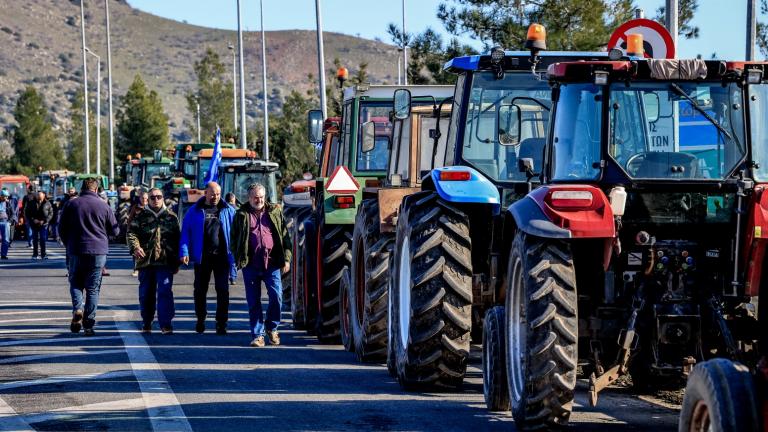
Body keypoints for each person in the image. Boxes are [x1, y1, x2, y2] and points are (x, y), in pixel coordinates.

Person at [231, 183, 291, 347]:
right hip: (251, 265)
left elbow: (285, 237)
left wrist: (286, 259)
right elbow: (234, 239)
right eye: (255, 197)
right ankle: (258, 335)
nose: (259, 200)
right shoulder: (241, 215)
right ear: (249, 198)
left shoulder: (275, 212)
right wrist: (238, 258)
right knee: (253, 301)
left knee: (276, 297)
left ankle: (272, 328)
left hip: (272, 264)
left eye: (261, 197)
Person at [59, 178, 119, 336]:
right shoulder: (104, 205)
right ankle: (89, 324)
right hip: (98, 252)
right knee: (93, 289)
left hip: (76, 250)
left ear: (82, 188)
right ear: (96, 189)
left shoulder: (71, 204)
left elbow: (61, 228)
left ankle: (78, 309)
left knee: (76, 284)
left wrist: (68, 244)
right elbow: (115, 231)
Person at [180, 181, 236, 335]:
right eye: (212, 194)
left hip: (222, 257)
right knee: (200, 290)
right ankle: (201, 318)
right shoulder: (194, 211)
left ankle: (221, 322)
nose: (215, 197)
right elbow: (186, 232)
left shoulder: (228, 210)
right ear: (206, 193)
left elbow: (237, 233)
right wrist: (184, 251)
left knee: (222, 290)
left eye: (218, 194)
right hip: (202, 257)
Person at [127, 188, 181, 335]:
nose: (156, 199)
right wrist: (136, 247)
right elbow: (131, 233)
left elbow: (178, 239)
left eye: (158, 197)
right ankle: (147, 321)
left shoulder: (171, 217)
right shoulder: (141, 216)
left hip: (165, 262)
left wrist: (177, 262)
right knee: (146, 294)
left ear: (163, 198)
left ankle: (166, 324)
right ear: (147, 199)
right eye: (152, 197)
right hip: (146, 262)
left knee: (164, 292)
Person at [25, 191, 53, 260]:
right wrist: (33, 219)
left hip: (43, 224)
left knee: (43, 239)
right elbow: (27, 213)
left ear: (44, 195)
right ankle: (35, 254)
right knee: (35, 239)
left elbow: (51, 213)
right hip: (34, 224)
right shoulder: (31, 202)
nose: (38, 197)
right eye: (37, 195)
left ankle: (43, 254)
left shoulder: (47, 203)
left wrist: (44, 221)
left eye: (40, 195)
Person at [127, 191, 148, 277]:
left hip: (147, 234)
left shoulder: (150, 207)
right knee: (136, 251)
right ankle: (136, 270)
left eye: (146, 198)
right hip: (137, 233)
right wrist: (129, 230)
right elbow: (130, 220)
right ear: (139, 198)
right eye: (143, 198)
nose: (144, 200)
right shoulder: (135, 208)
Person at [0, 189, 17, 260]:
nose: (6, 198)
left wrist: (9, 222)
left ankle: (3, 254)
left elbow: (13, 213)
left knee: (6, 239)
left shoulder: (8, 203)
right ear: (1, 196)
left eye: (7, 196)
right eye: (5, 197)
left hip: (5, 222)